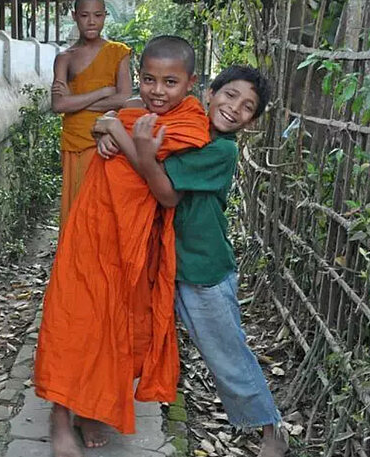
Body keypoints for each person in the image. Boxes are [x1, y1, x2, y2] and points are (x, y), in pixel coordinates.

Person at [34, 36, 211, 456]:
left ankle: (91, 406)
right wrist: (108, 126)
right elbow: (119, 121)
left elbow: (166, 191)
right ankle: (60, 414)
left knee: (117, 322)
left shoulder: (192, 123)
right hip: (93, 227)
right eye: (149, 79)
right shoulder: (136, 114)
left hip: (135, 241)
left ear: (191, 83)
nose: (157, 91)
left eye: (170, 82)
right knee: (74, 315)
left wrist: (113, 128)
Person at [114, 65, 288, 457]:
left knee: (225, 355)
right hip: (166, 261)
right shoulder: (186, 122)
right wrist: (112, 128)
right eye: (230, 96)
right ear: (209, 93)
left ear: (252, 122)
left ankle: (271, 430)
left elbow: (162, 187)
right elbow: (137, 111)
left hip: (203, 269)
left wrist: (125, 141)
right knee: (135, 334)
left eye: (247, 107)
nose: (234, 108)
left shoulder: (221, 150)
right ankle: (104, 408)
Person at [50, 0, 132, 230]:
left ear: (105, 16)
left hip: (107, 141)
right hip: (76, 143)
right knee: (76, 210)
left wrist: (75, 103)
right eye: (85, 15)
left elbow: (125, 99)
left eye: (97, 15)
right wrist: (104, 92)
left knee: (102, 212)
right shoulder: (65, 58)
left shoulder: (118, 52)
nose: (92, 21)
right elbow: (58, 104)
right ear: (75, 16)